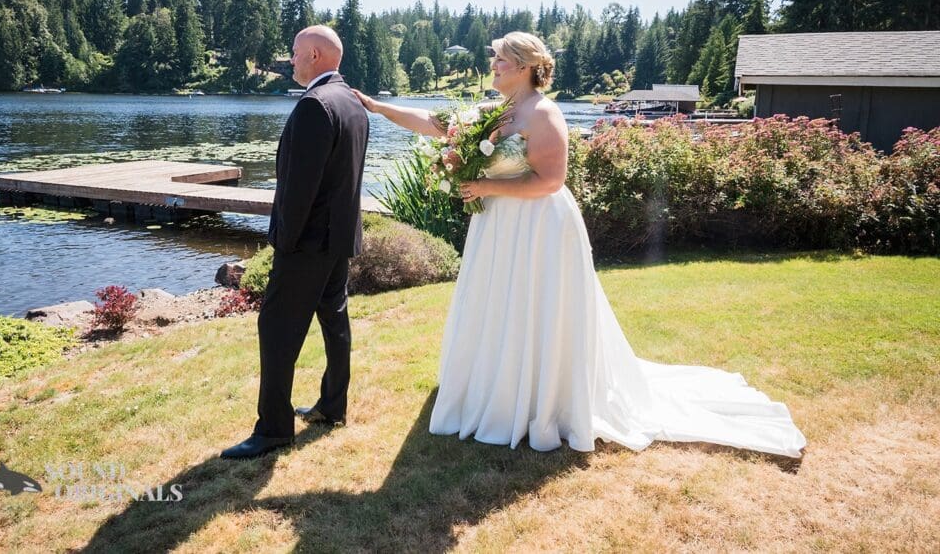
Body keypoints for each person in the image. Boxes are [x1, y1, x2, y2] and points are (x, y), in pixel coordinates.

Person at [353, 31, 806, 457]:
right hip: (498, 226)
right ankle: (498, 387)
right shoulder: (494, 111)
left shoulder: (543, 113)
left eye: (501, 60)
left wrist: (487, 187)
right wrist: (376, 106)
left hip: (538, 226)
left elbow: (551, 181)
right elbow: (433, 124)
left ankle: (544, 398)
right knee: (502, 303)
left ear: (525, 67)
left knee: (538, 304)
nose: (493, 65)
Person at [222, 25, 369, 459]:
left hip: (306, 242)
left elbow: (299, 187)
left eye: (295, 52)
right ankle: (332, 405)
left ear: (316, 56)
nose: (290, 59)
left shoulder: (314, 105)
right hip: (337, 238)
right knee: (334, 320)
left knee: (276, 328)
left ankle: (273, 430)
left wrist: (282, 243)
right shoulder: (352, 102)